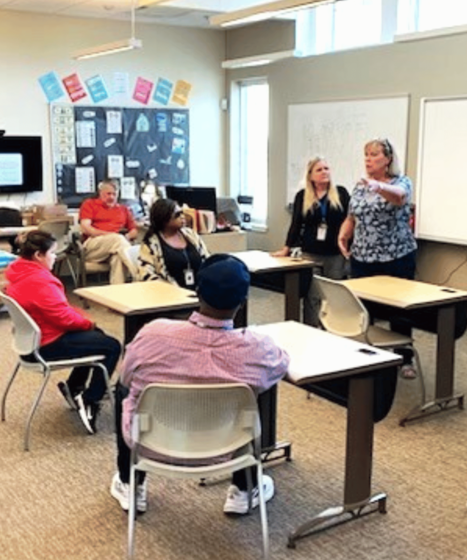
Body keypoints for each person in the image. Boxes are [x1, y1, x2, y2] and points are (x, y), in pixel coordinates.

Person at [109, 254, 290, 515]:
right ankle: (244, 488)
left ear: (197, 293)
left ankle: (131, 483)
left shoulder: (153, 332)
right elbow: (281, 365)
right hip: (226, 448)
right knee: (255, 388)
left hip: (152, 444)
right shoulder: (258, 348)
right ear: (244, 300)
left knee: (124, 390)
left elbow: (127, 376)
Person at [4, 230, 122, 434]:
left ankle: (74, 386)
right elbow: (64, 318)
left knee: (97, 338)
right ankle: (91, 401)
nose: (55, 257)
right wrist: (88, 324)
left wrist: (87, 324)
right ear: (38, 255)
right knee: (111, 345)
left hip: (33, 341)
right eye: (52, 253)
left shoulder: (18, 271)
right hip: (46, 345)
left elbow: (59, 311)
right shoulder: (40, 281)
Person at [337, 137, 418, 378]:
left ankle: (405, 358)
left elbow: (400, 197)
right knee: (363, 308)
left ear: (388, 159)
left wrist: (379, 187)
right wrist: (344, 233)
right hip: (362, 257)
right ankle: (368, 355)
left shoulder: (401, 182)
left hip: (396, 256)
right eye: (366, 155)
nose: (368, 160)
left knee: (399, 311)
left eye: (374, 155)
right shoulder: (360, 185)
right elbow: (353, 215)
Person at [273, 157, 351, 326]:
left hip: (335, 253)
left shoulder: (341, 193)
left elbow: (350, 221)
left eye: (326, 168)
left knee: (334, 296)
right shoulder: (303, 196)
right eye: (319, 170)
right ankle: (310, 329)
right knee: (312, 295)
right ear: (310, 176)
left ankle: (334, 330)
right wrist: (286, 248)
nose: (324, 172)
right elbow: (296, 224)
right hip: (311, 253)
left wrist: (349, 247)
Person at [135, 198, 210, 288]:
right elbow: (145, 275)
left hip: (201, 290)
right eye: (177, 215)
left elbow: (207, 261)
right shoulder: (151, 244)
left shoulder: (191, 235)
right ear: (164, 219)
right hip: (169, 294)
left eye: (182, 213)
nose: (183, 217)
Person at [79, 180, 140, 284]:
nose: (111, 197)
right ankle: (138, 274)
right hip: (94, 246)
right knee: (117, 239)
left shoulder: (123, 209)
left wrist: (127, 237)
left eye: (114, 194)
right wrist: (112, 236)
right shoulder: (90, 204)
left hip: (116, 246)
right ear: (100, 193)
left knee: (118, 258)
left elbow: (134, 231)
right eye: (108, 194)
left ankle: (118, 293)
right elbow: (86, 228)